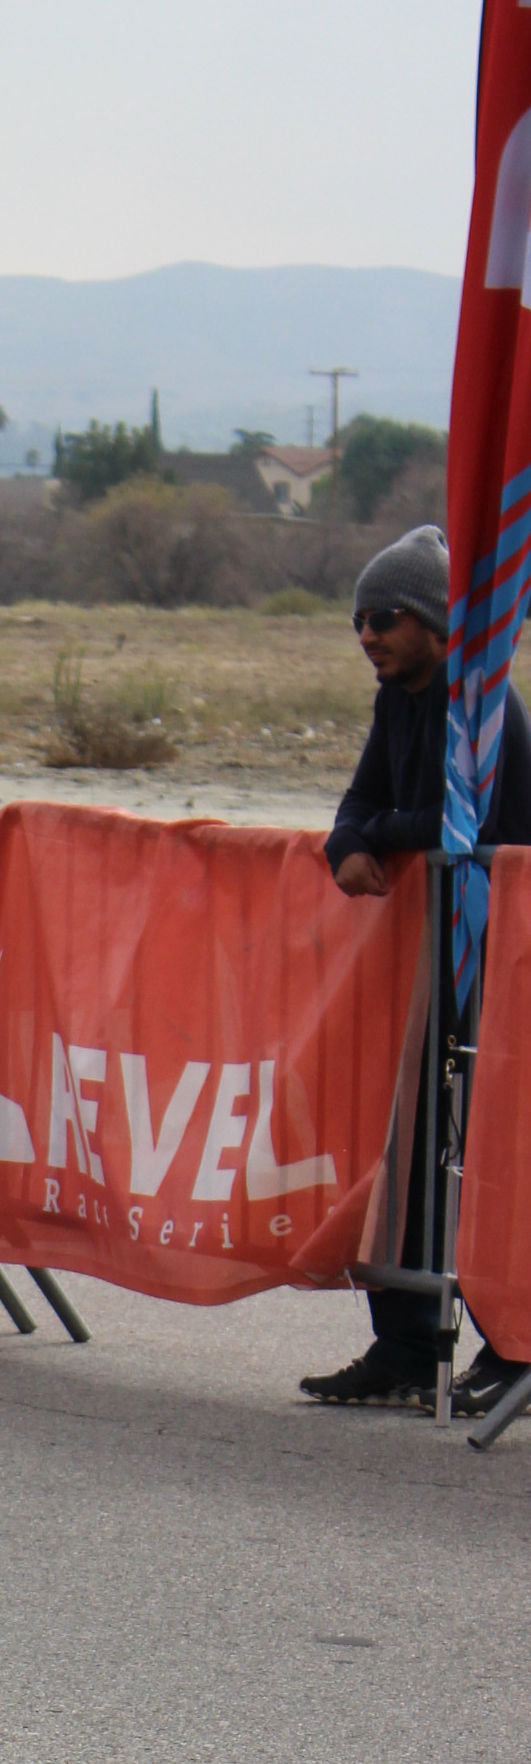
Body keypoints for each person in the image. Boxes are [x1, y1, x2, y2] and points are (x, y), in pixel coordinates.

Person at [303, 521, 531, 1414]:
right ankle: (403, 1346)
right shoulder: (397, 696)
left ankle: (511, 1346)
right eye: (359, 620)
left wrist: (379, 835)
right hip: (435, 963)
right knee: (410, 1154)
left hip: (501, 960)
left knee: (491, 1159)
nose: (368, 635)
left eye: (386, 618)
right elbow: (367, 794)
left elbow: (458, 821)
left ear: (438, 625)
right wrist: (346, 841)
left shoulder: (481, 705)